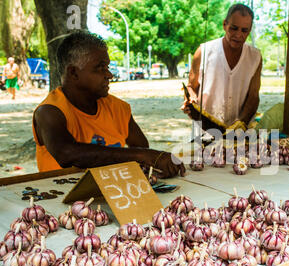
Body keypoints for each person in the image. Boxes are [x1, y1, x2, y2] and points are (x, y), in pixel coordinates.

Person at [32, 31, 185, 178]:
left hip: (111, 193)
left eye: (108, 67)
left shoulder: (118, 108)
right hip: (57, 198)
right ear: (73, 73)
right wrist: (142, 156)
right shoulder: (49, 112)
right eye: (100, 67)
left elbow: (141, 147)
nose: (109, 75)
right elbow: (67, 154)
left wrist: (152, 161)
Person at [183, 3, 262, 132]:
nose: (238, 34)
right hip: (204, 130)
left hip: (239, 132)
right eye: (234, 28)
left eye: (244, 30)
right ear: (225, 24)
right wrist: (190, 100)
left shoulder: (255, 57)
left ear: (250, 30)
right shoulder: (204, 51)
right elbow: (191, 87)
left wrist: (239, 124)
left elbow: (253, 97)